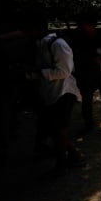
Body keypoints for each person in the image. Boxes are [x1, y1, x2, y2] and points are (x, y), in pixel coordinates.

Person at [22, 15, 84, 176]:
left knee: (58, 130)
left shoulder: (58, 44)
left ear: (39, 29)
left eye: (29, 30)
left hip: (64, 93)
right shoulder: (41, 44)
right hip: (51, 92)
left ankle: (62, 164)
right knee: (54, 129)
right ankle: (74, 156)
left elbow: (64, 71)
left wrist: (39, 72)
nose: (27, 34)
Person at [70, 11, 101, 132]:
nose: (81, 27)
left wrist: (100, 60)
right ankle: (88, 124)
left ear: (91, 24)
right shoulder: (77, 37)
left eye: (84, 24)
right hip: (85, 74)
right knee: (87, 100)